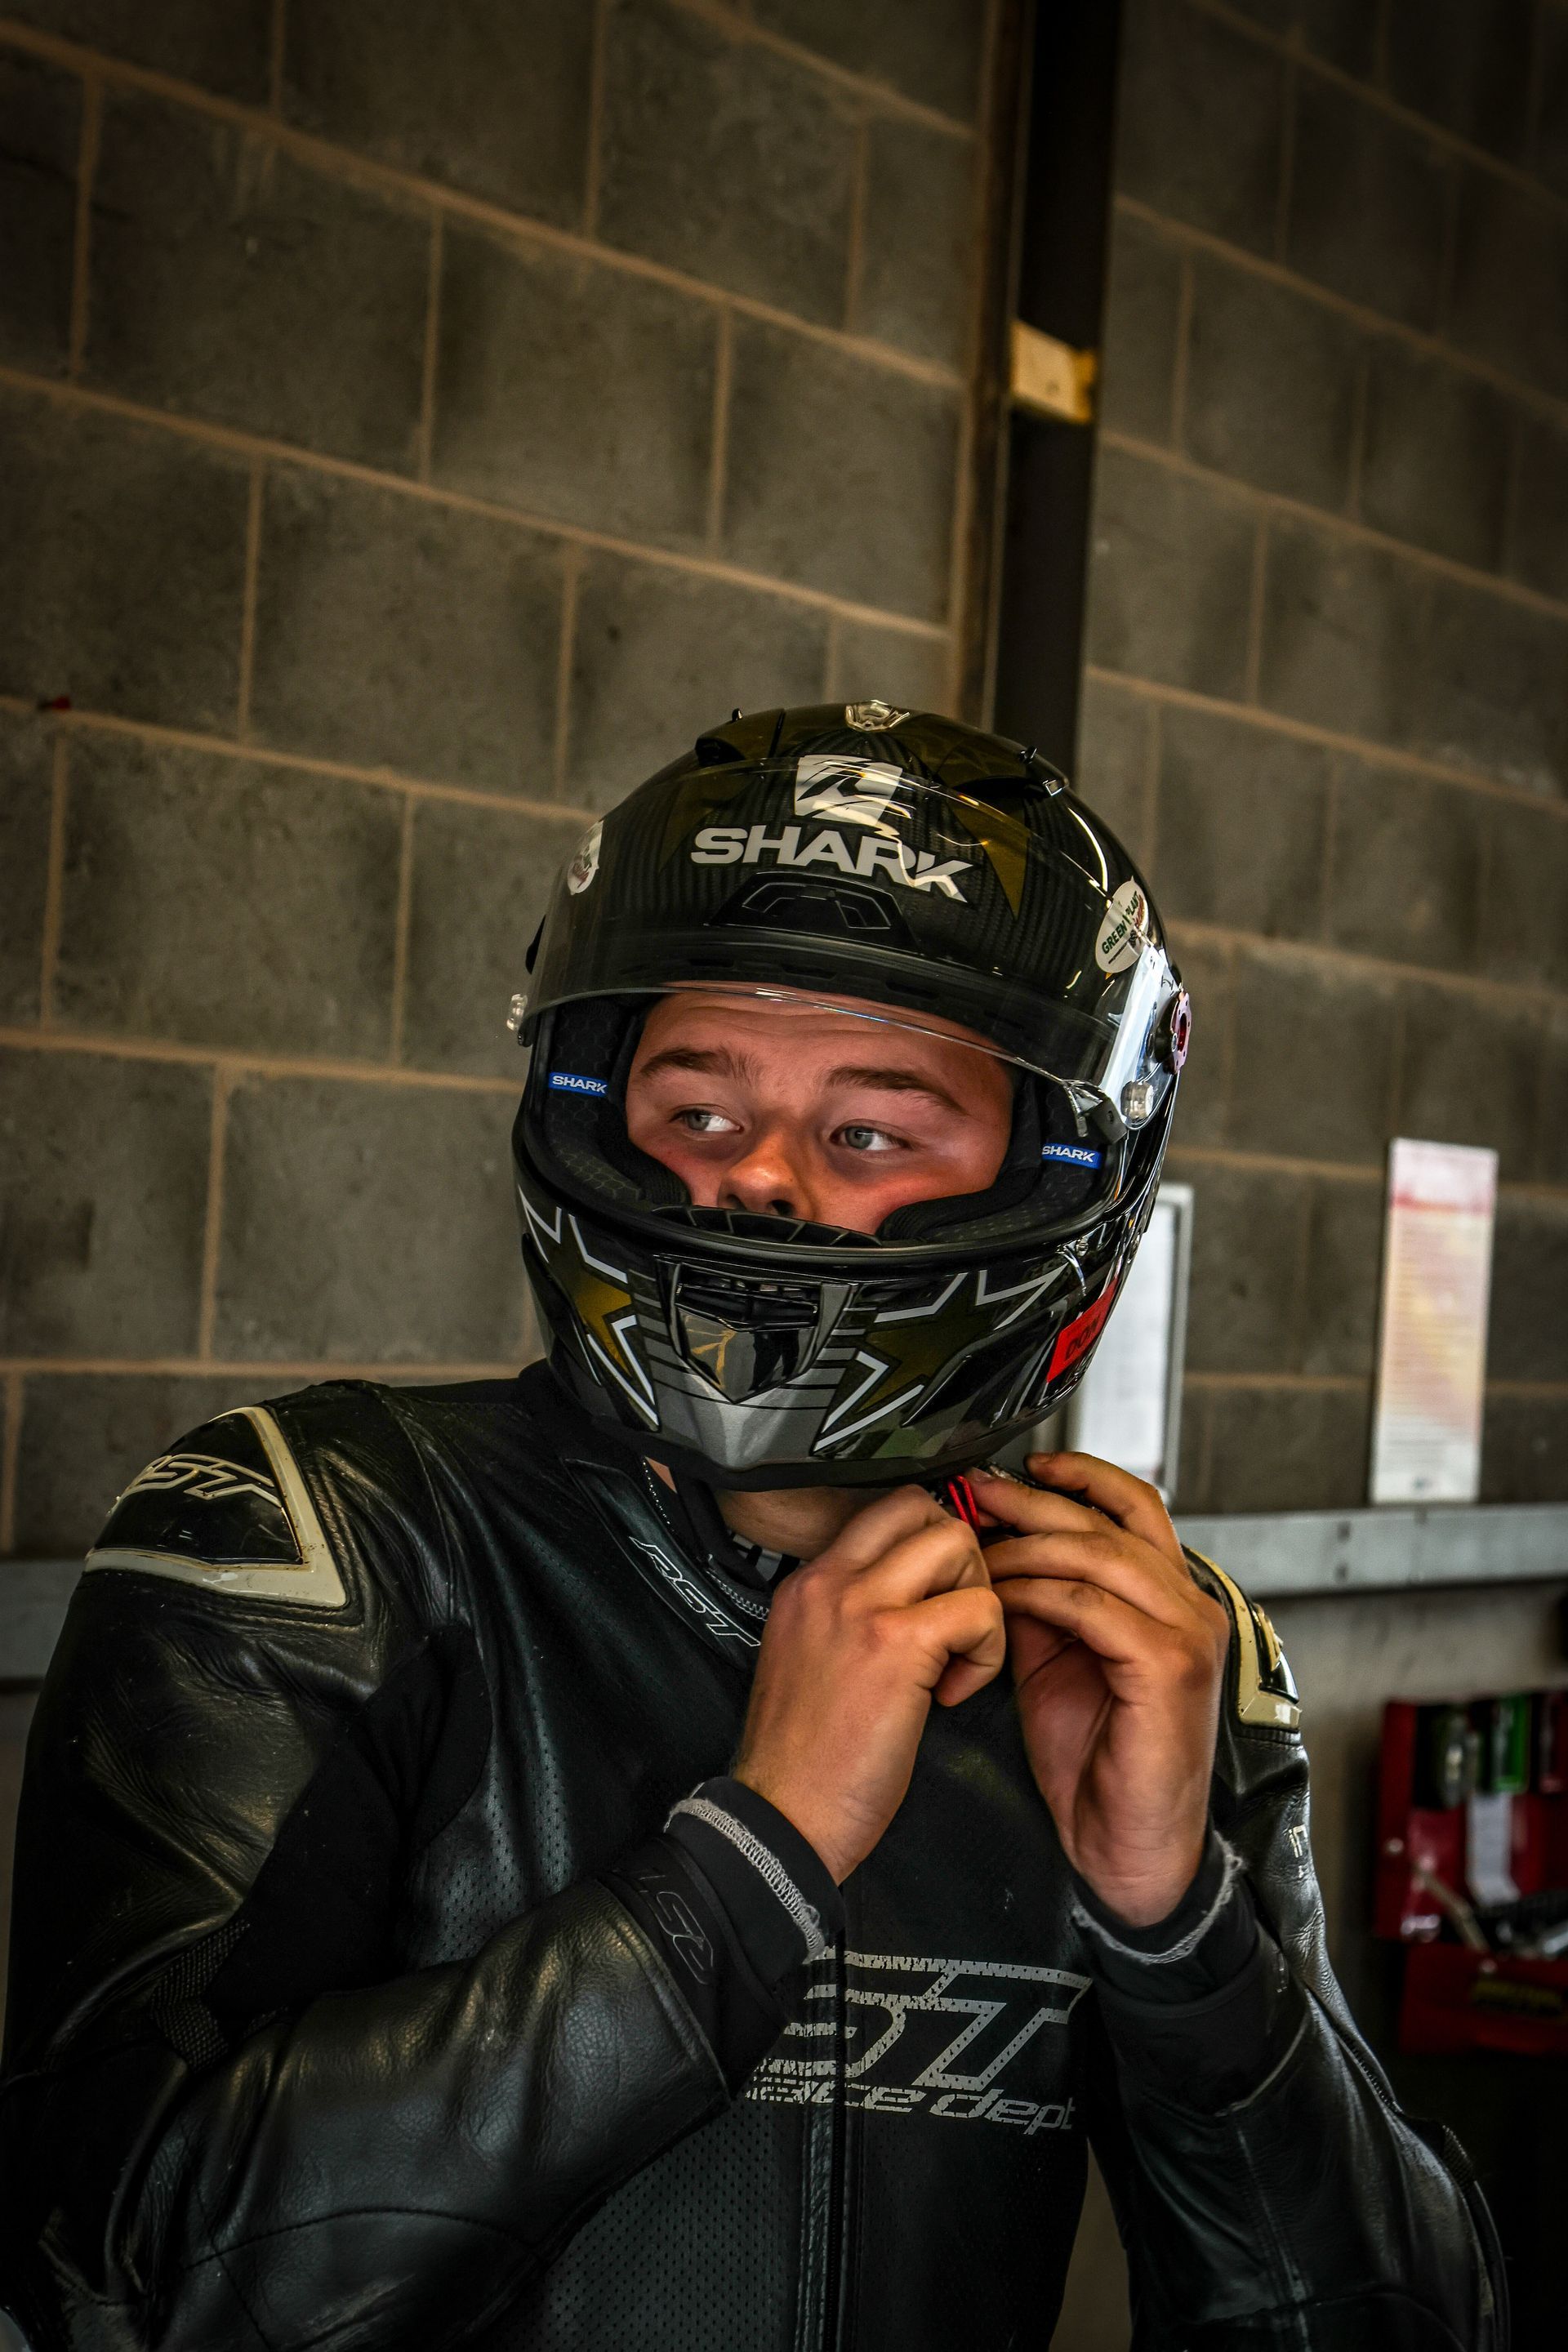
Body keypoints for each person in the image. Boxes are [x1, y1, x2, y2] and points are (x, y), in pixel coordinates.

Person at [0, 706, 1503, 2350]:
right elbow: (105, 2278)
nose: (762, 1185)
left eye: (869, 1131)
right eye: (698, 1111)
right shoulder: (318, 1543)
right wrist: (744, 1872)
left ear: (1061, 1169)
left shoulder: (1146, 1649)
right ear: (591, 1111)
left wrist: (1185, 1930)